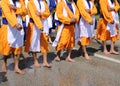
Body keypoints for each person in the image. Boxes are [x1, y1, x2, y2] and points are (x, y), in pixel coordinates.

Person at [0, 0, 26, 74]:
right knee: (7, 48)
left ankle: (16, 67)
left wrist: (15, 8)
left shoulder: (21, 1)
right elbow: (8, 14)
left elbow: (25, 11)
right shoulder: (4, 1)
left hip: (19, 26)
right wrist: (15, 24)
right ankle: (4, 62)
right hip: (9, 27)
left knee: (18, 47)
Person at [25, 0, 51, 68]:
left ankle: (45, 61)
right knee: (34, 42)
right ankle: (35, 60)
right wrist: (40, 26)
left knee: (44, 41)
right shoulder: (31, 2)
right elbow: (34, 15)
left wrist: (41, 14)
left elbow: (48, 13)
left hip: (44, 23)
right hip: (34, 24)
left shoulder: (44, 2)